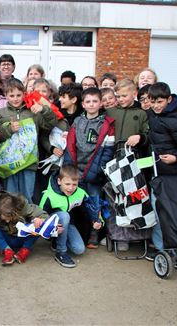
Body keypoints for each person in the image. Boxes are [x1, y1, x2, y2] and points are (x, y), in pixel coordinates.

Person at [145, 82, 177, 261]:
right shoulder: (151, 115)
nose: (156, 105)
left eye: (160, 101)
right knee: (158, 214)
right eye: (153, 102)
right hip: (158, 174)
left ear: (169, 99)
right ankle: (162, 251)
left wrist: (176, 158)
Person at [64, 87, 115, 248]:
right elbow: (70, 146)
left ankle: (95, 233)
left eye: (95, 101)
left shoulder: (106, 124)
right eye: (88, 101)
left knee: (95, 203)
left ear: (100, 104)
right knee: (76, 203)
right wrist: (69, 169)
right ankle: (78, 232)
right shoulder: (77, 122)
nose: (91, 104)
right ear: (83, 104)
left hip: (94, 170)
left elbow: (108, 150)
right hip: (77, 169)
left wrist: (99, 169)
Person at [0, 79, 58, 203]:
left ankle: (28, 221)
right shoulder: (0, 114)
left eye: (18, 95)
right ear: (5, 96)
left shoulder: (32, 111)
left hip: (29, 162)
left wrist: (43, 109)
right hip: (9, 162)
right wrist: (9, 129)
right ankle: (11, 221)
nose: (16, 98)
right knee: (10, 196)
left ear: (24, 94)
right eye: (11, 95)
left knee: (27, 196)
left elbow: (51, 123)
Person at [105, 79, 148, 251]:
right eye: (118, 96)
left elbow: (148, 133)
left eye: (124, 96)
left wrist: (141, 137)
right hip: (112, 159)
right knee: (115, 200)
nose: (121, 99)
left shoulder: (142, 113)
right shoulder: (110, 111)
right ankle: (118, 235)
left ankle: (138, 234)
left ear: (134, 94)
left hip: (134, 160)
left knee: (134, 198)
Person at [39, 165, 98, 267]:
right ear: (59, 181)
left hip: (68, 224)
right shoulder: (48, 195)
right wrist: (52, 228)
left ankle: (56, 242)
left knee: (79, 249)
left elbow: (91, 207)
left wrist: (96, 220)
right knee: (64, 215)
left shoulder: (80, 193)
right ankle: (61, 252)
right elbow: (40, 215)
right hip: (53, 225)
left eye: (74, 184)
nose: (71, 188)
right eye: (67, 184)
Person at [0, 191, 46, 265]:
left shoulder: (23, 206)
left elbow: (43, 215)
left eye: (10, 217)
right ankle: (7, 250)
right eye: (4, 218)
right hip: (6, 239)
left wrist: (40, 220)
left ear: (15, 210)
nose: (7, 220)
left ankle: (25, 250)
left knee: (39, 225)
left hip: (22, 238)